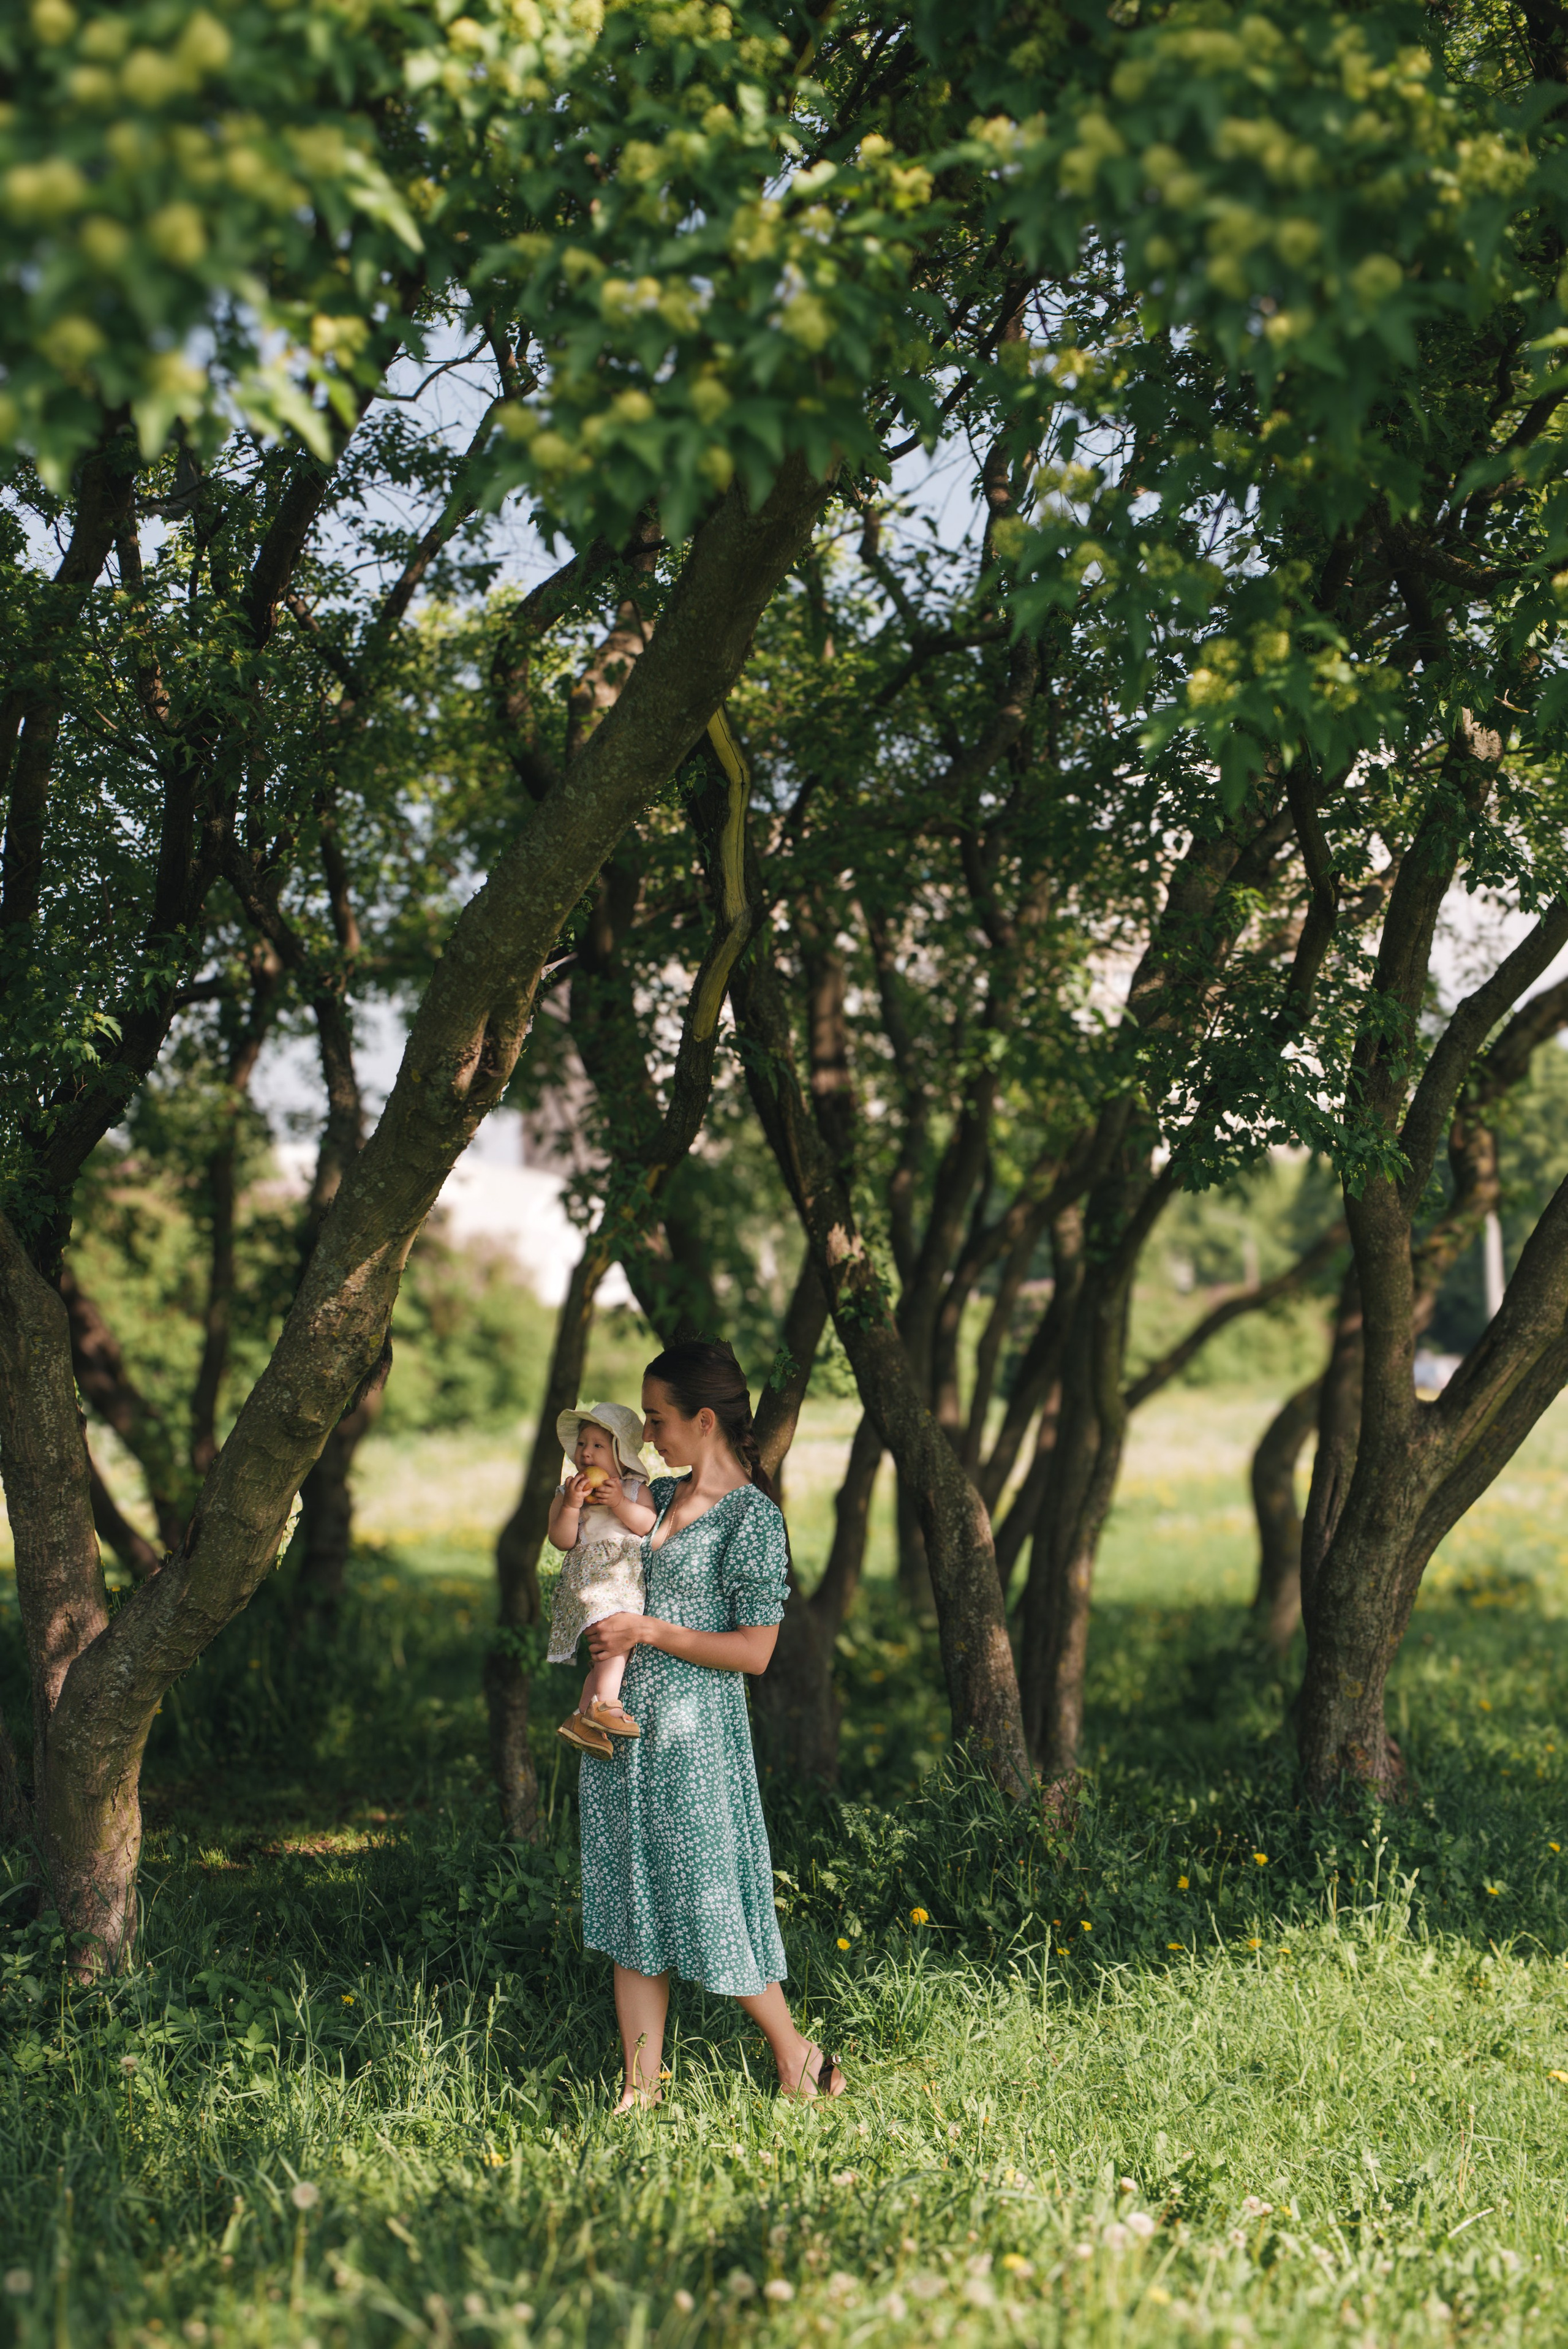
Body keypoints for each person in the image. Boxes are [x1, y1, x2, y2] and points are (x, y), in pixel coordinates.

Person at [576, 1338, 848, 2111]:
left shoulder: (752, 1520)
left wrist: (644, 1631)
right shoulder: (658, 1501)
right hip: (625, 1736)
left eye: (657, 1420)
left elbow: (755, 1653)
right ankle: (639, 2093)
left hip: (697, 1743)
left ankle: (796, 2055)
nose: (649, 1437)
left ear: (703, 1420)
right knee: (634, 1904)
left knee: (707, 1899)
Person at [546, 1403, 658, 1759]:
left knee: (605, 1650)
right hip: (592, 1580)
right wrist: (571, 1506)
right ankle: (607, 1705)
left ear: (621, 1456)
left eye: (598, 1445)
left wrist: (619, 1504)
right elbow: (562, 1540)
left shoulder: (634, 1489)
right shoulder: (568, 1493)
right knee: (616, 1640)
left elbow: (647, 1526)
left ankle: (581, 1717)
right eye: (582, 1444)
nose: (585, 1453)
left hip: (620, 1577)